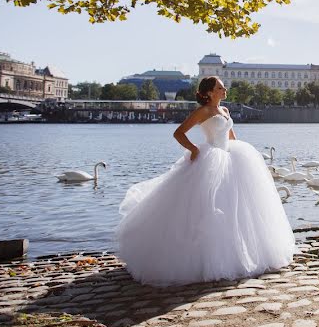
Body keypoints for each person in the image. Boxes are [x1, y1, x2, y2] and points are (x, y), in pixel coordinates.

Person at [116, 76, 294, 286]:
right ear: (209, 92)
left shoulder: (225, 111)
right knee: (209, 209)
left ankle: (239, 253)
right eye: (220, 87)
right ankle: (206, 259)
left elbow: (232, 138)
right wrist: (193, 149)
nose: (224, 89)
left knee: (237, 209)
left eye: (223, 86)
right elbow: (179, 133)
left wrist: (243, 158)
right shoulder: (203, 112)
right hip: (211, 161)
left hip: (231, 158)